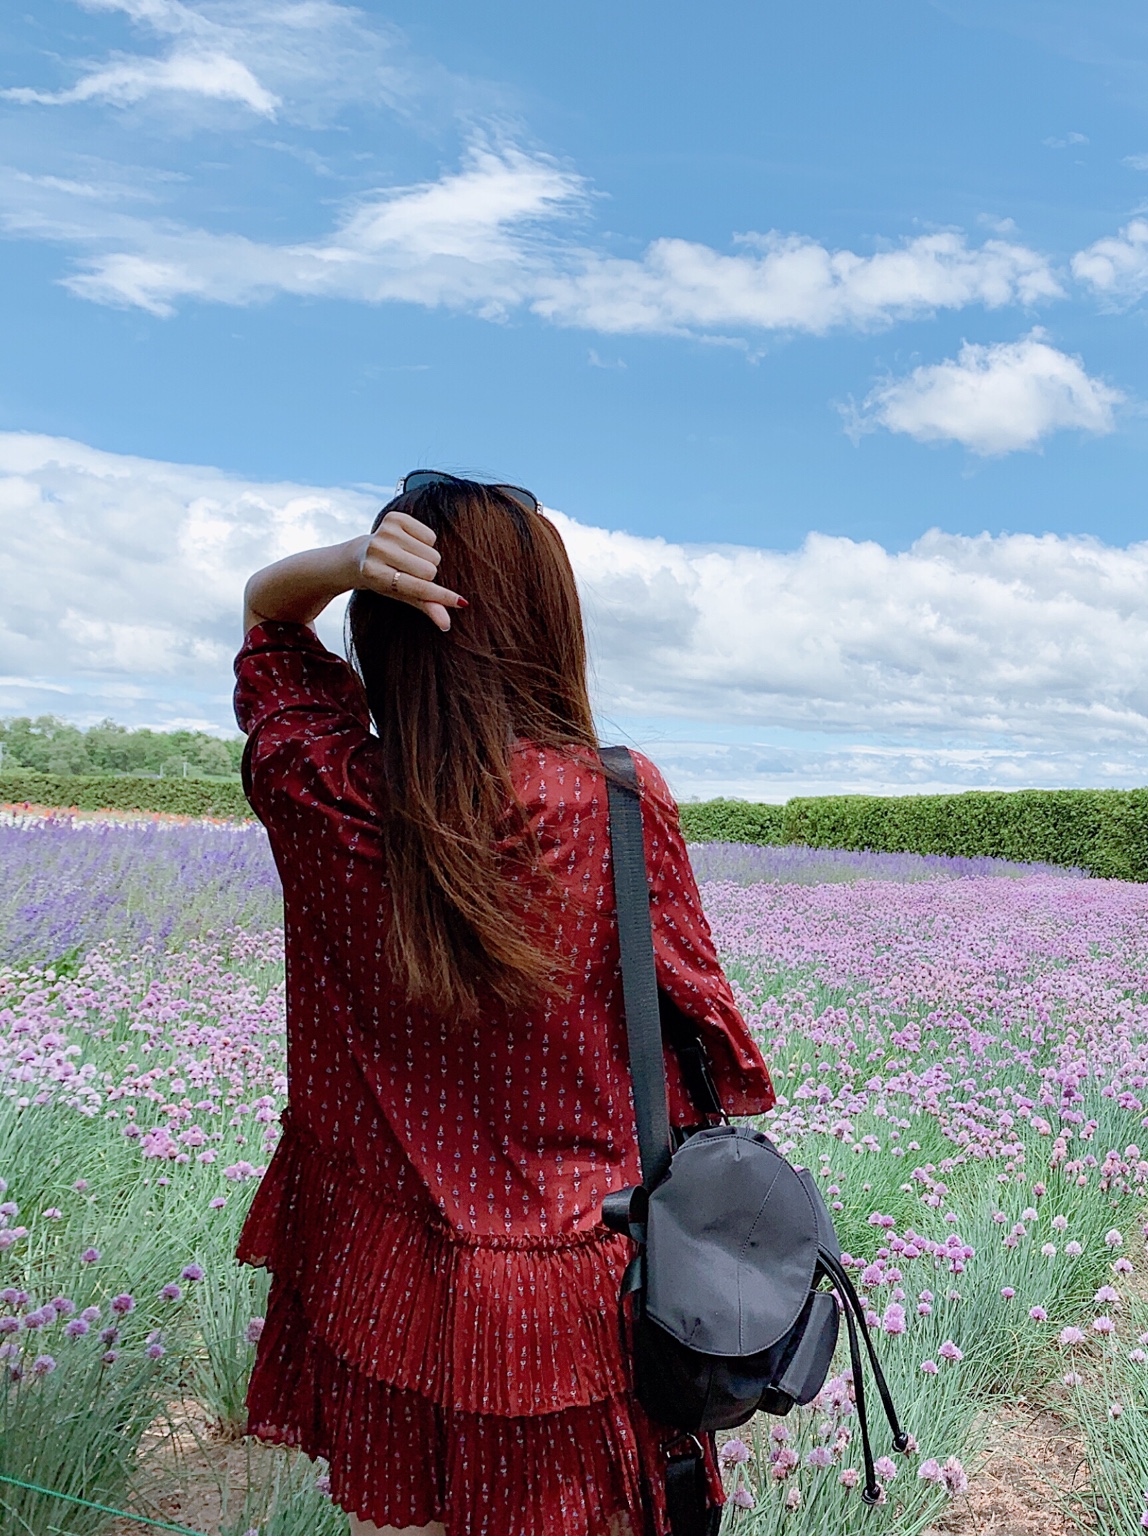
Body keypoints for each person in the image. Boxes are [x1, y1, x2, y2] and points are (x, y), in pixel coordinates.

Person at [232, 472, 776, 1536]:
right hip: (579, 1307)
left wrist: (348, 564)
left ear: (387, 632)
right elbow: (717, 1049)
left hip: (380, 1288)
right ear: (545, 624)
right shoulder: (616, 800)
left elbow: (266, 621)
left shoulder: (321, 789)